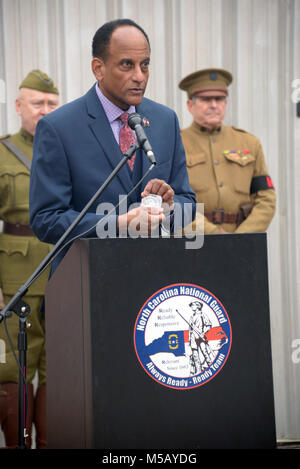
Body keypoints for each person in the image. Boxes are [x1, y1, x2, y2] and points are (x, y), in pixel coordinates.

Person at [29, 19, 196, 274]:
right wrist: (118, 224)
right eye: (127, 65)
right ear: (99, 68)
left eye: (145, 65)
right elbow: (46, 220)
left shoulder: (165, 120)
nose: (139, 76)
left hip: (154, 279)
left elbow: (188, 202)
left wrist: (167, 210)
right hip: (86, 280)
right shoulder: (59, 127)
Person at [0, 70, 59, 449]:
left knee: (60, 374)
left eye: (52, 104)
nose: (45, 110)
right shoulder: (2, 151)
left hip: (63, 275)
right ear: (19, 107)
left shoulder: (69, 149)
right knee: (10, 374)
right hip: (13, 281)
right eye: (37, 103)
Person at [179, 68, 276, 234]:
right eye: (206, 99)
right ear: (190, 105)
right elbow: (172, 201)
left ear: (226, 103)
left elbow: (266, 198)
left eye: (219, 99)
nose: (214, 105)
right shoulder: (177, 143)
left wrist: (242, 237)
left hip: (243, 244)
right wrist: (213, 234)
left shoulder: (249, 142)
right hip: (195, 241)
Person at [188, 301, 212, 374]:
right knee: (195, 355)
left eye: (193, 305)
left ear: (198, 306)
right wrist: (190, 338)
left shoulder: (203, 315)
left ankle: (211, 367)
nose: (192, 307)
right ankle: (198, 371)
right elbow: (190, 329)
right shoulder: (191, 317)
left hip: (201, 337)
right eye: (191, 305)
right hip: (193, 337)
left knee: (205, 352)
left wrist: (203, 333)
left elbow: (209, 325)